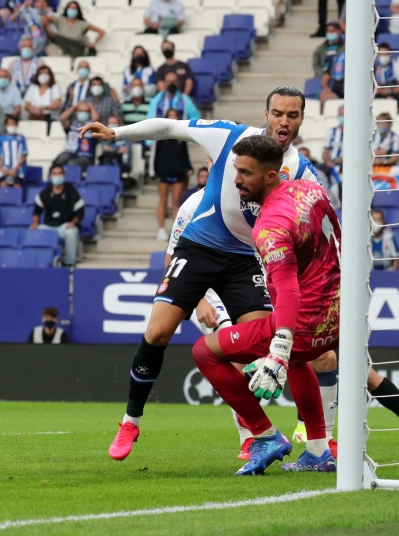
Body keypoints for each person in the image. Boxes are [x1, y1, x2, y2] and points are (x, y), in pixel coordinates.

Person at [79, 86, 321, 461]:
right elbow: (171, 127)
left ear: (302, 119)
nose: (283, 122)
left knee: (260, 345)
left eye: (292, 115)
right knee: (158, 331)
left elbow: (319, 222)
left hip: (247, 260)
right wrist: (118, 133)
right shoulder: (230, 136)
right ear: (266, 113)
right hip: (199, 248)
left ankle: (265, 435)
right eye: (277, 113)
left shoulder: (303, 173)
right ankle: (130, 422)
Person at [190, 135, 338, 475]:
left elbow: (288, 290)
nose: (236, 180)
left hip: (305, 323)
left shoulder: (270, 225)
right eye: (236, 170)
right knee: (298, 361)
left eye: (246, 173)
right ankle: (318, 450)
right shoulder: (310, 190)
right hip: (339, 316)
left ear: (270, 176)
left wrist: (280, 348)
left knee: (204, 352)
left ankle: (264, 435)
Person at [30, 164, 83, 267]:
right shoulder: (45, 193)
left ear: (64, 175)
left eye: (59, 173)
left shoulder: (71, 191)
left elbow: (80, 211)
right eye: (54, 174)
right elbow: (37, 211)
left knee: (71, 232)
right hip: (48, 226)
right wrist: (35, 223)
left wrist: (73, 222)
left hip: (65, 226)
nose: (57, 176)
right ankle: (42, 263)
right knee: (37, 231)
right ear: (51, 176)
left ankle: (69, 263)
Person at [152, 108, 193, 242]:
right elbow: (156, 155)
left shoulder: (182, 136)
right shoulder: (160, 136)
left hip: (178, 172)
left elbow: (185, 154)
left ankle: (176, 231)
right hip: (163, 171)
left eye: (175, 115)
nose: (172, 118)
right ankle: (161, 229)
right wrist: (155, 172)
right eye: (170, 115)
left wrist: (189, 168)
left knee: (176, 202)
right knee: (162, 200)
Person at [54, 100, 98, 169]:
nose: (83, 113)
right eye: (81, 111)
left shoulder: (92, 126)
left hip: (85, 157)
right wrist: (75, 106)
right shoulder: (72, 125)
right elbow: (62, 118)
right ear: (76, 112)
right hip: (70, 153)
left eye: (86, 111)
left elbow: (96, 118)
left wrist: (91, 106)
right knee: (58, 161)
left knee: (72, 163)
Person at [374, 43, 399, 108]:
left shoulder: (397, 67)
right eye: (381, 54)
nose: (383, 57)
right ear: (378, 55)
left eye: (386, 54)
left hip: (394, 94)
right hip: (380, 94)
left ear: (390, 54)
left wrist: (389, 91)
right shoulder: (376, 67)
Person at [0, 115, 27, 188]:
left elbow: (24, 154)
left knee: (17, 188)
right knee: (3, 186)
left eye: (13, 124)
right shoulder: (1, 138)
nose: (11, 126)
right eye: (9, 124)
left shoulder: (21, 138)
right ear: (5, 125)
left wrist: (15, 168)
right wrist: (2, 168)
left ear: (16, 125)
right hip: (4, 170)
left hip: (18, 171)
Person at [322, 105, 344, 179]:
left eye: (344, 115)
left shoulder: (354, 133)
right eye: (340, 115)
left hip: (346, 164)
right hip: (332, 164)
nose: (342, 117)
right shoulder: (332, 131)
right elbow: (326, 151)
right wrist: (328, 162)